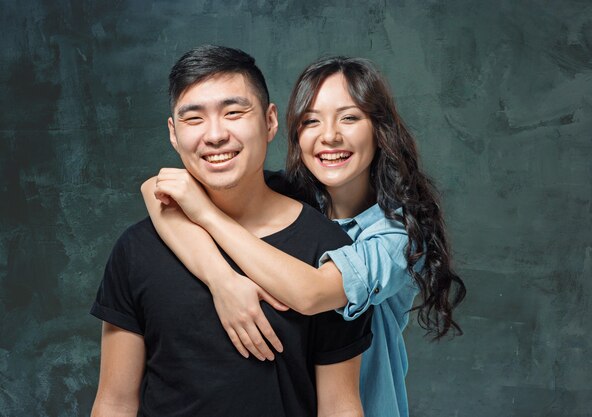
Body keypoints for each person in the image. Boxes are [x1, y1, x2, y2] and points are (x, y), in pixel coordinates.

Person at [143, 56, 466, 417]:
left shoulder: (397, 236)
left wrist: (206, 215)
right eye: (311, 121)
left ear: (379, 128)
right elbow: (155, 190)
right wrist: (222, 281)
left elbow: (311, 293)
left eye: (349, 117)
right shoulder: (288, 197)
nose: (329, 136)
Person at [90, 45, 373, 417]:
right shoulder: (137, 248)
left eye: (234, 112)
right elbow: (115, 401)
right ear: (173, 134)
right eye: (194, 119)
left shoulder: (328, 249)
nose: (215, 135)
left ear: (270, 121)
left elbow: (339, 405)